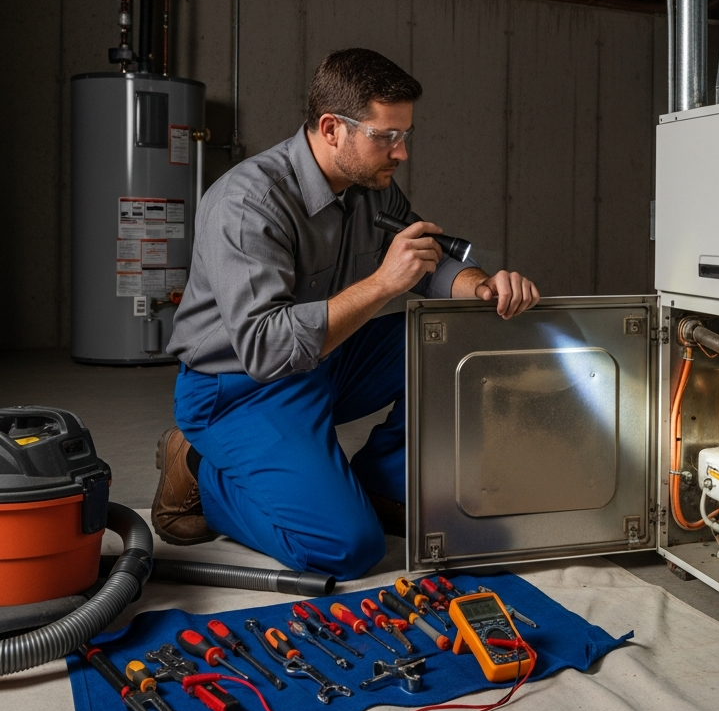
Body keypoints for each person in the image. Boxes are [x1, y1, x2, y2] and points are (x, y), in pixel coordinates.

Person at [153, 48, 540, 578]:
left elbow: (428, 258)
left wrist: (481, 288)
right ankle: (199, 470)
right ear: (333, 128)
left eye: (405, 135)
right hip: (240, 388)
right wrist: (384, 283)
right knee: (348, 549)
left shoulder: (371, 187)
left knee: (457, 336)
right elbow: (267, 348)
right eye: (387, 136)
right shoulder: (249, 203)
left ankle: (383, 482)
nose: (401, 152)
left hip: (327, 359)